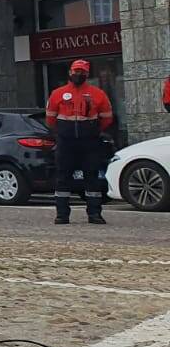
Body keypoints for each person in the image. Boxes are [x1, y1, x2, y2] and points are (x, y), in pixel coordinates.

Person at [46, 59, 114, 225]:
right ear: (70, 72)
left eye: (82, 72)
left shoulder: (98, 94)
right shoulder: (57, 93)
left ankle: (94, 214)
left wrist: (91, 131)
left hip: (89, 143)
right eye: (76, 71)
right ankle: (62, 215)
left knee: (92, 178)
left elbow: (107, 119)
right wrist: (64, 132)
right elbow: (50, 119)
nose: (78, 74)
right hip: (66, 143)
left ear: (87, 74)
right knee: (63, 178)